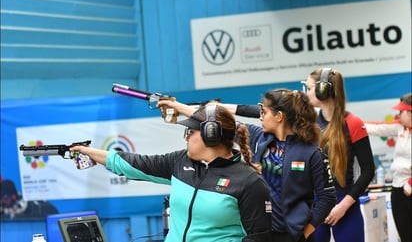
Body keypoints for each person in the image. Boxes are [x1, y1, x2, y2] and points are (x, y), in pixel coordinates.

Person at [70, 104, 272, 242]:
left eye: (190, 132)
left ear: (210, 135)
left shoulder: (249, 182)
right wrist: (91, 153)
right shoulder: (181, 161)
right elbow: (138, 164)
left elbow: (259, 238)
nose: (186, 137)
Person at [158, 89, 336, 242]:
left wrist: (303, 233)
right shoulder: (257, 137)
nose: (260, 116)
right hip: (260, 234)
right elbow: (210, 121)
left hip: (294, 236)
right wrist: (177, 107)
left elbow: (327, 198)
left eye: (264, 112)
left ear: (279, 116)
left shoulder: (311, 153)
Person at [301, 68, 375, 242]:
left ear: (322, 90)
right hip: (315, 204)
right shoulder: (309, 123)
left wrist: (343, 206)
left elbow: (368, 171)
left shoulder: (353, 123)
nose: (307, 93)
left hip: (345, 203)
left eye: (310, 88)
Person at [364, 92, 412, 242]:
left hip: (409, 187)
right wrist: (347, 121)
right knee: (405, 235)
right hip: (397, 188)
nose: (397, 115)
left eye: (401, 111)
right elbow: (377, 128)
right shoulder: (400, 127)